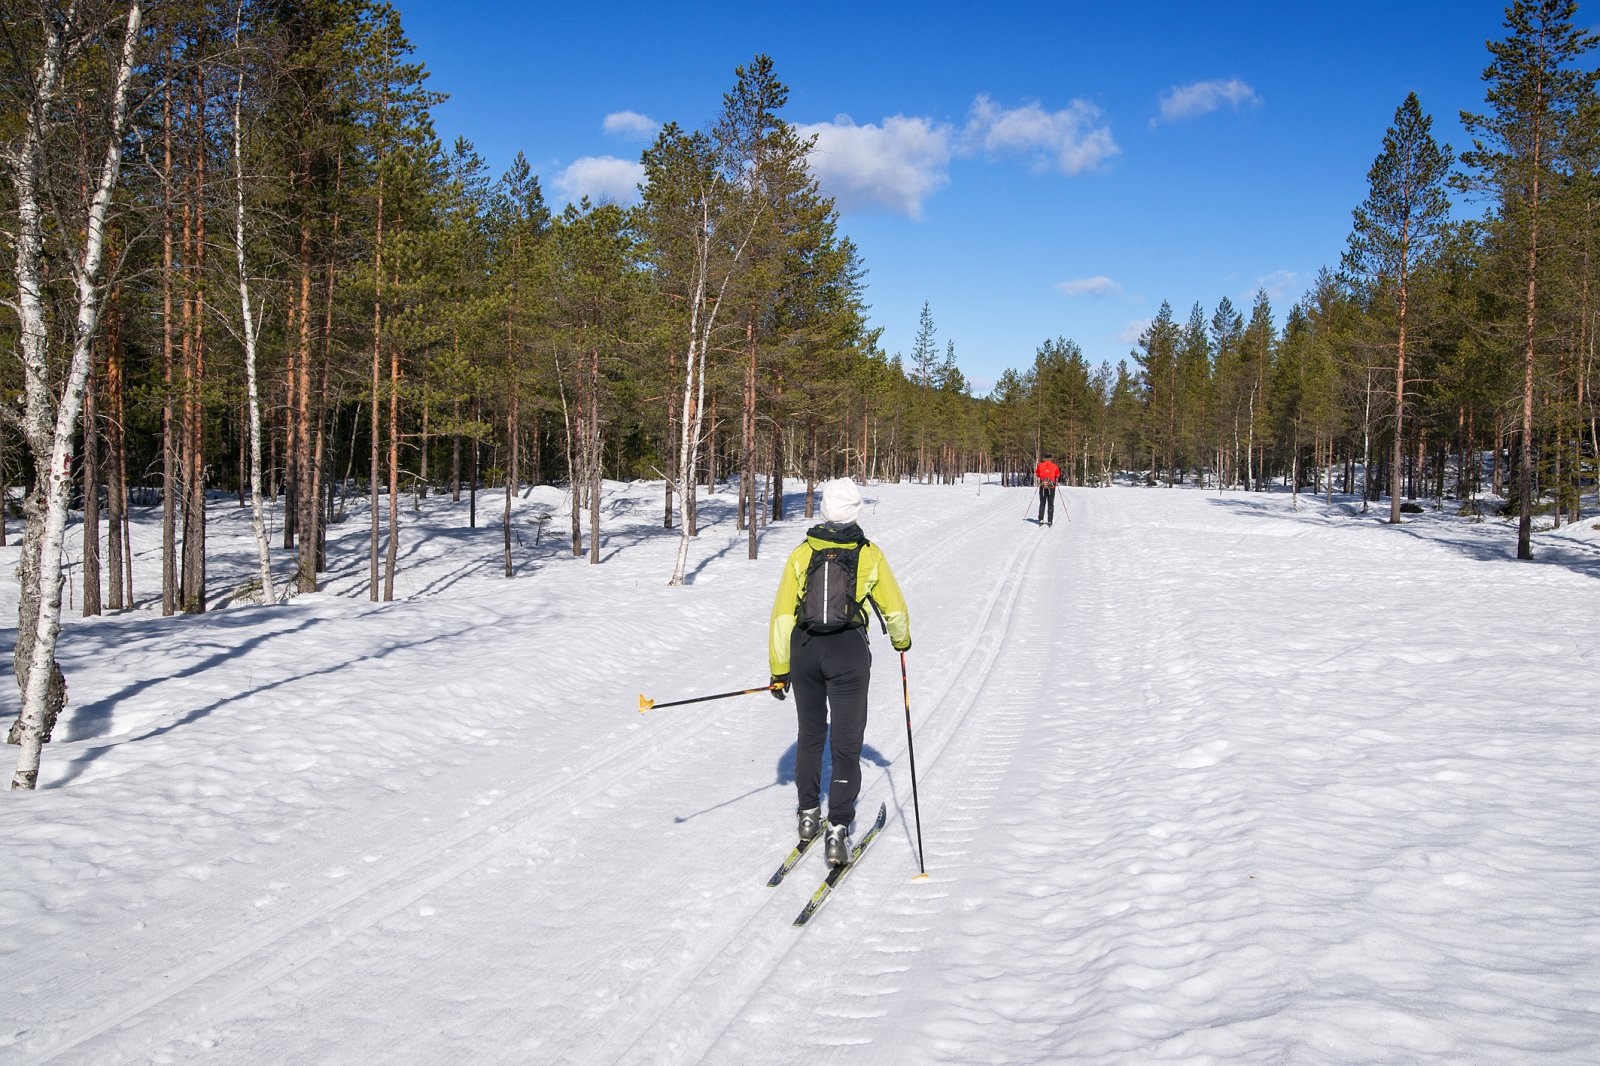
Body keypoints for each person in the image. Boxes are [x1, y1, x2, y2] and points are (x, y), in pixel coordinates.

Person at [768, 477, 911, 866]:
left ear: (825, 509)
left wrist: (780, 670)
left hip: (804, 650)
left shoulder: (801, 553)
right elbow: (894, 609)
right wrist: (901, 641)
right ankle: (838, 829)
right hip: (847, 651)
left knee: (810, 735)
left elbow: (783, 616)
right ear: (856, 511)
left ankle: (808, 815)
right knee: (846, 743)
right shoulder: (870, 554)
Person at [1034, 454, 1061, 525]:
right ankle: (1049, 521)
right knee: (1050, 504)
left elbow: (1037, 474)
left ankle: (1041, 520)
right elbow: (1057, 475)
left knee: (1042, 503)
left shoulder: (1040, 465)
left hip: (1043, 487)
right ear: (1051, 458)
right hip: (1051, 487)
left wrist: (1043, 475)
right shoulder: (1054, 466)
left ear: (1044, 458)